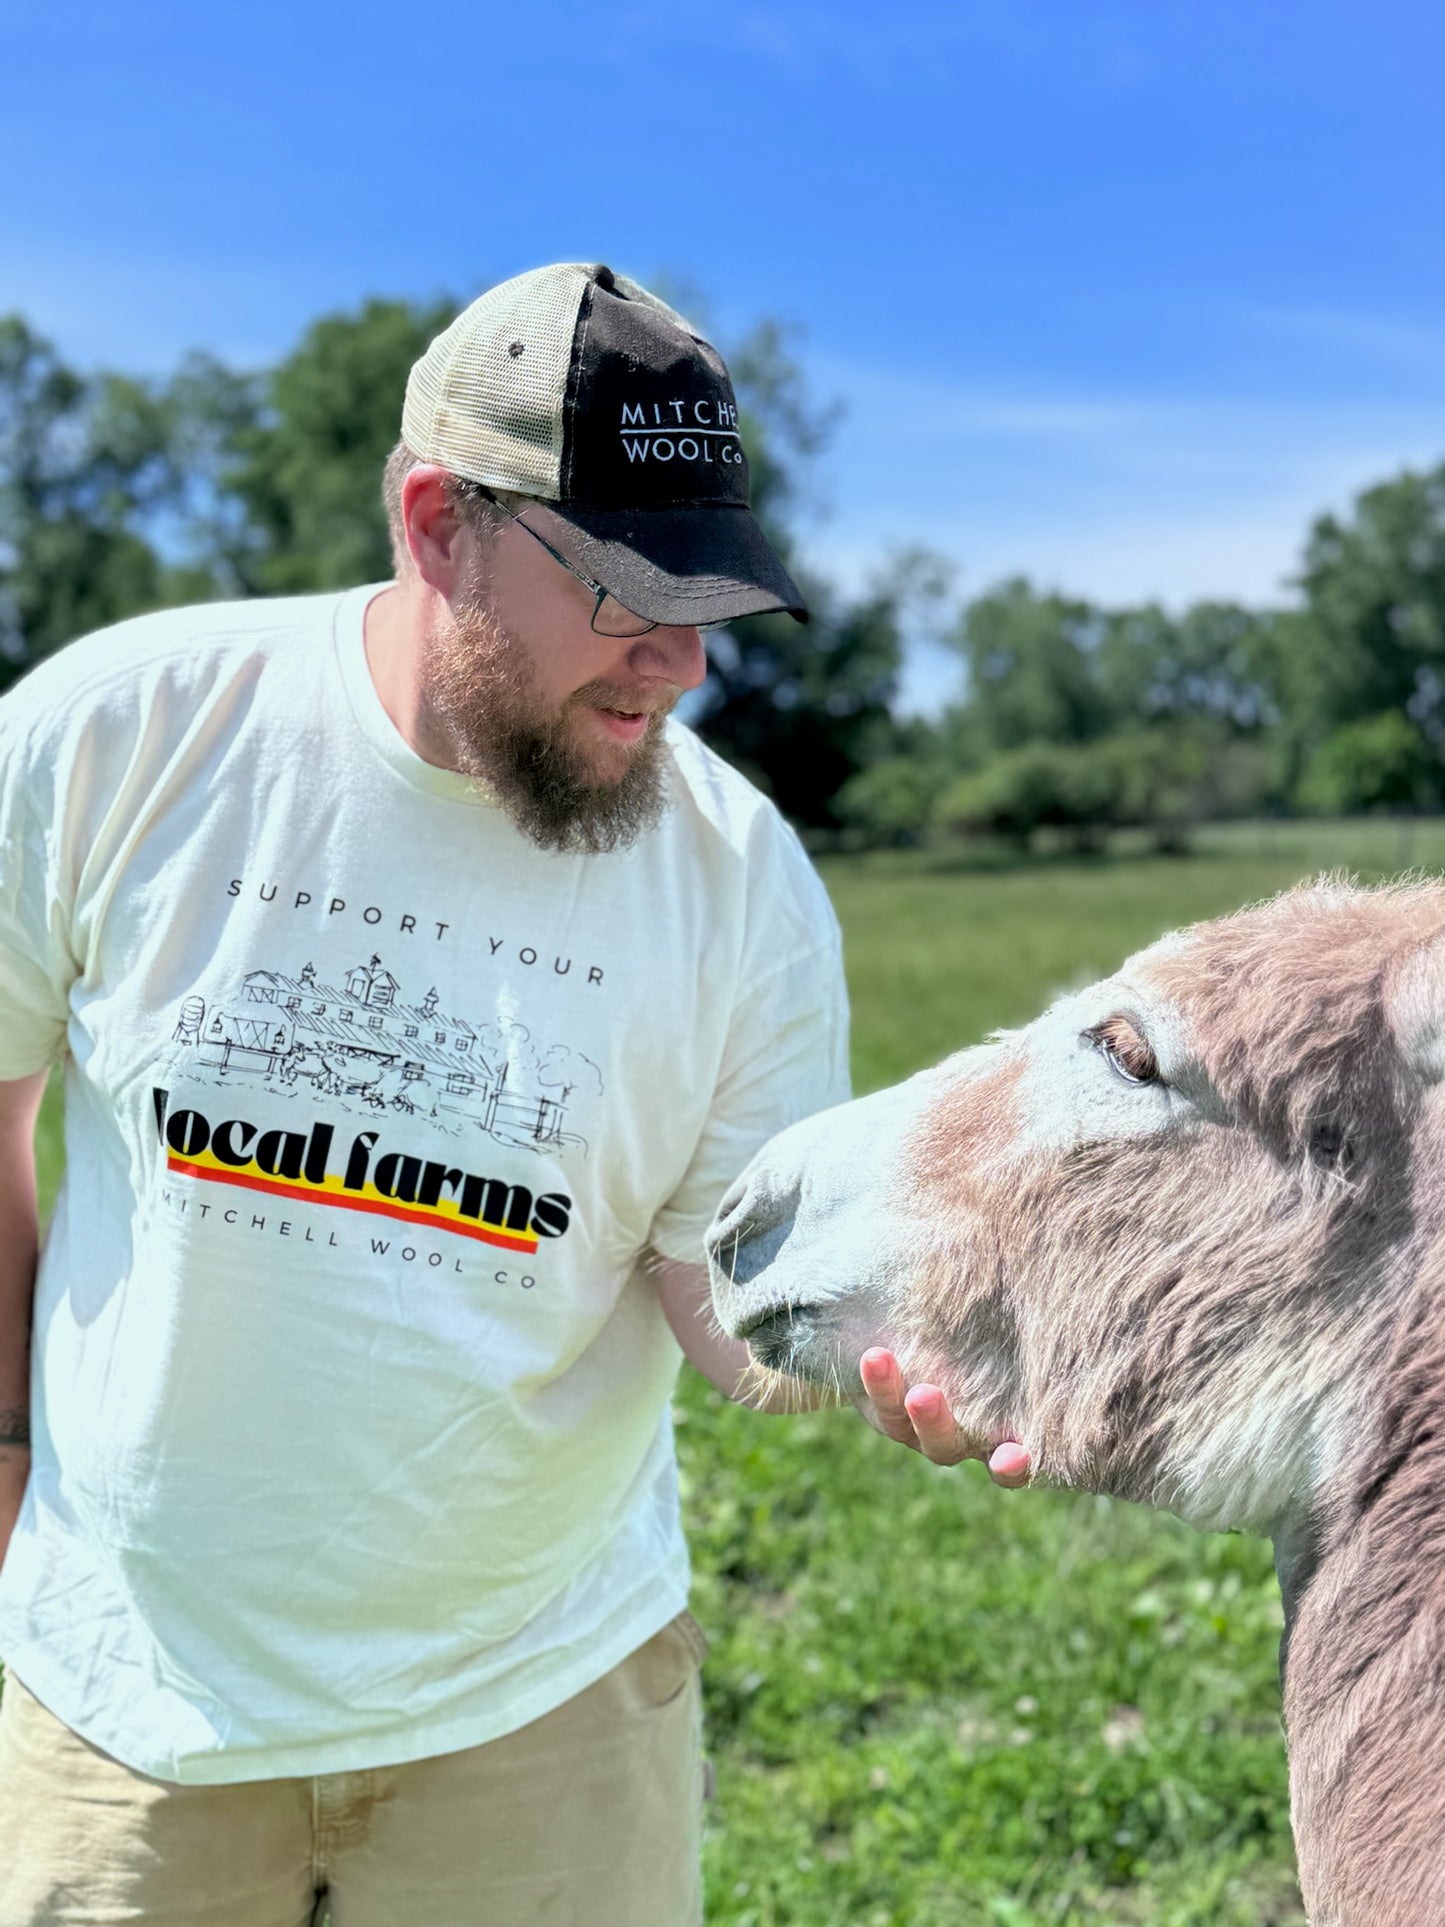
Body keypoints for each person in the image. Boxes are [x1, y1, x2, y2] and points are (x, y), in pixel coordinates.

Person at [0, 262, 1025, 1927]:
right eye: (626, 595)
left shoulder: (742, 883)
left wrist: (890, 1351)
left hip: (542, 1724)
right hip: (126, 1717)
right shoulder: (122, 736)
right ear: (435, 522)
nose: (680, 665)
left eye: (708, 599)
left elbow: (719, 1292)